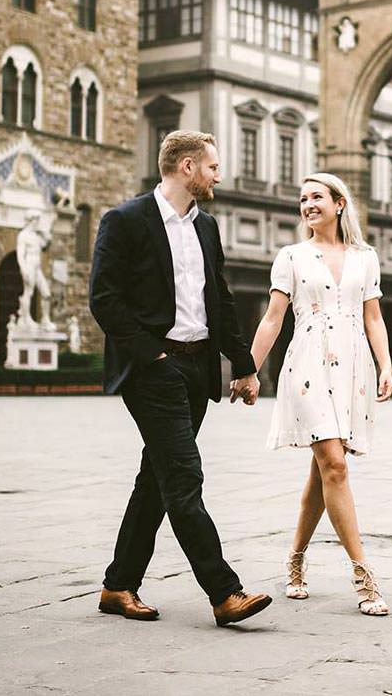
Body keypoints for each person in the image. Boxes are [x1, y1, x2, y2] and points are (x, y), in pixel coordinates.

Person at [89, 130, 271, 627]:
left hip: (197, 369)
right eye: (212, 166)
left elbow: (222, 302)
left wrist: (245, 365)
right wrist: (154, 357)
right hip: (155, 370)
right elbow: (104, 299)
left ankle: (117, 586)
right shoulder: (125, 221)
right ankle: (224, 592)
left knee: (158, 479)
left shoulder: (206, 226)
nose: (218, 174)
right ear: (187, 167)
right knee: (185, 477)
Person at [246, 172, 392, 616]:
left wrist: (386, 364)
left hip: (353, 367)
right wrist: (249, 369)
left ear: (339, 203)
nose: (307, 204)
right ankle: (364, 576)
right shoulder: (291, 256)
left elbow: (374, 318)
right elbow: (273, 319)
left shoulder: (366, 258)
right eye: (303, 199)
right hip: (307, 363)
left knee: (324, 469)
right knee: (334, 463)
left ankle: (295, 559)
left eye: (316, 197)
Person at [16, 211, 53, 327]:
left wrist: (46, 235)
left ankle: (45, 319)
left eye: (38, 220)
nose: (37, 222)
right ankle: (26, 318)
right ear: (30, 221)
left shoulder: (36, 236)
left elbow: (45, 246)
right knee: (28, 292)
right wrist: (23, 269)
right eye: (36, 220)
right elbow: (20, 254)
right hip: (29, 264)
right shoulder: (23, 235)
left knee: (46, 293)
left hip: (37, 267)